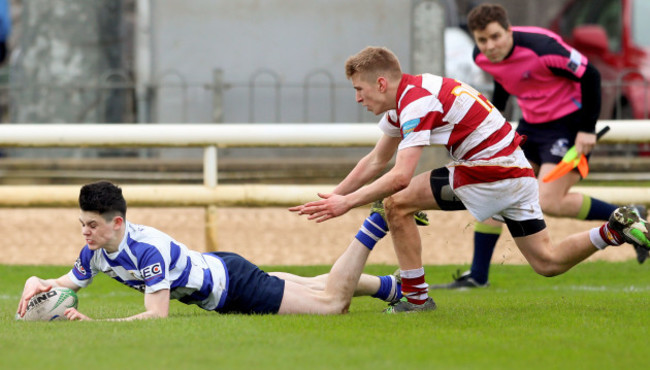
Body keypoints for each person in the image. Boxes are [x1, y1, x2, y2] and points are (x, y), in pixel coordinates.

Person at [290, 45, 650, 313]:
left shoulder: (415, 103)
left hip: (490, 170)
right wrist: (334, 197)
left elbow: (399, 176)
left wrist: (347, 203)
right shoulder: (411, 96)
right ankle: (613, 230)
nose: (357, 98)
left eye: (359, 89)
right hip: (514, 171)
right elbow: (376, 160)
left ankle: (415, 298)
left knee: (396, 204)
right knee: (547, 262)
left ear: (381, 83)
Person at [431, 3, 648, 290]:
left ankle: (627, 213)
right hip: (531, 127)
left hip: (568, 127)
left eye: (496, 37)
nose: (490, 46)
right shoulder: (481, 57)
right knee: (496, 186)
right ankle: (477, 276)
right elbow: (504, 82)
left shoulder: (542, 48)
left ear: (509, 30)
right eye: (482, 40)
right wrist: (492, 125)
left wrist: (586, 129)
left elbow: (591, 75)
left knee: (548, 201)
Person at [16, 180, 403, 321]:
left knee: (332, 303)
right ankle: (394, 289)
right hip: (224, 272)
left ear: (117, 222)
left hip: (235, 288)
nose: (85, 232)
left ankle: (375, 221)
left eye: (92, 225)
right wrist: (39, 281)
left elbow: (156, 316)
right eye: (82, 224)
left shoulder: (145, 250)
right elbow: (70, 283)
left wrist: (95, 326)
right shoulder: (95, 250)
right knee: (319, 286)